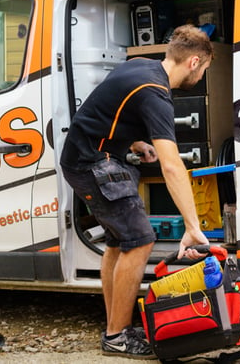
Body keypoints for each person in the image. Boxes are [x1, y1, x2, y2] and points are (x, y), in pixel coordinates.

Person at [60, 24, 212, 359]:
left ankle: (117, 327)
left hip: (84, 155)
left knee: (119, 240)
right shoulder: (155, 95)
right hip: (92, 163)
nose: (201, 78)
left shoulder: (142, 64)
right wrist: (192, 227)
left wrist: (135, 141)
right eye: (204, 70)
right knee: (140, 240)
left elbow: (108, 109)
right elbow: (173, 167)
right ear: (193, 62)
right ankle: (117, 336)